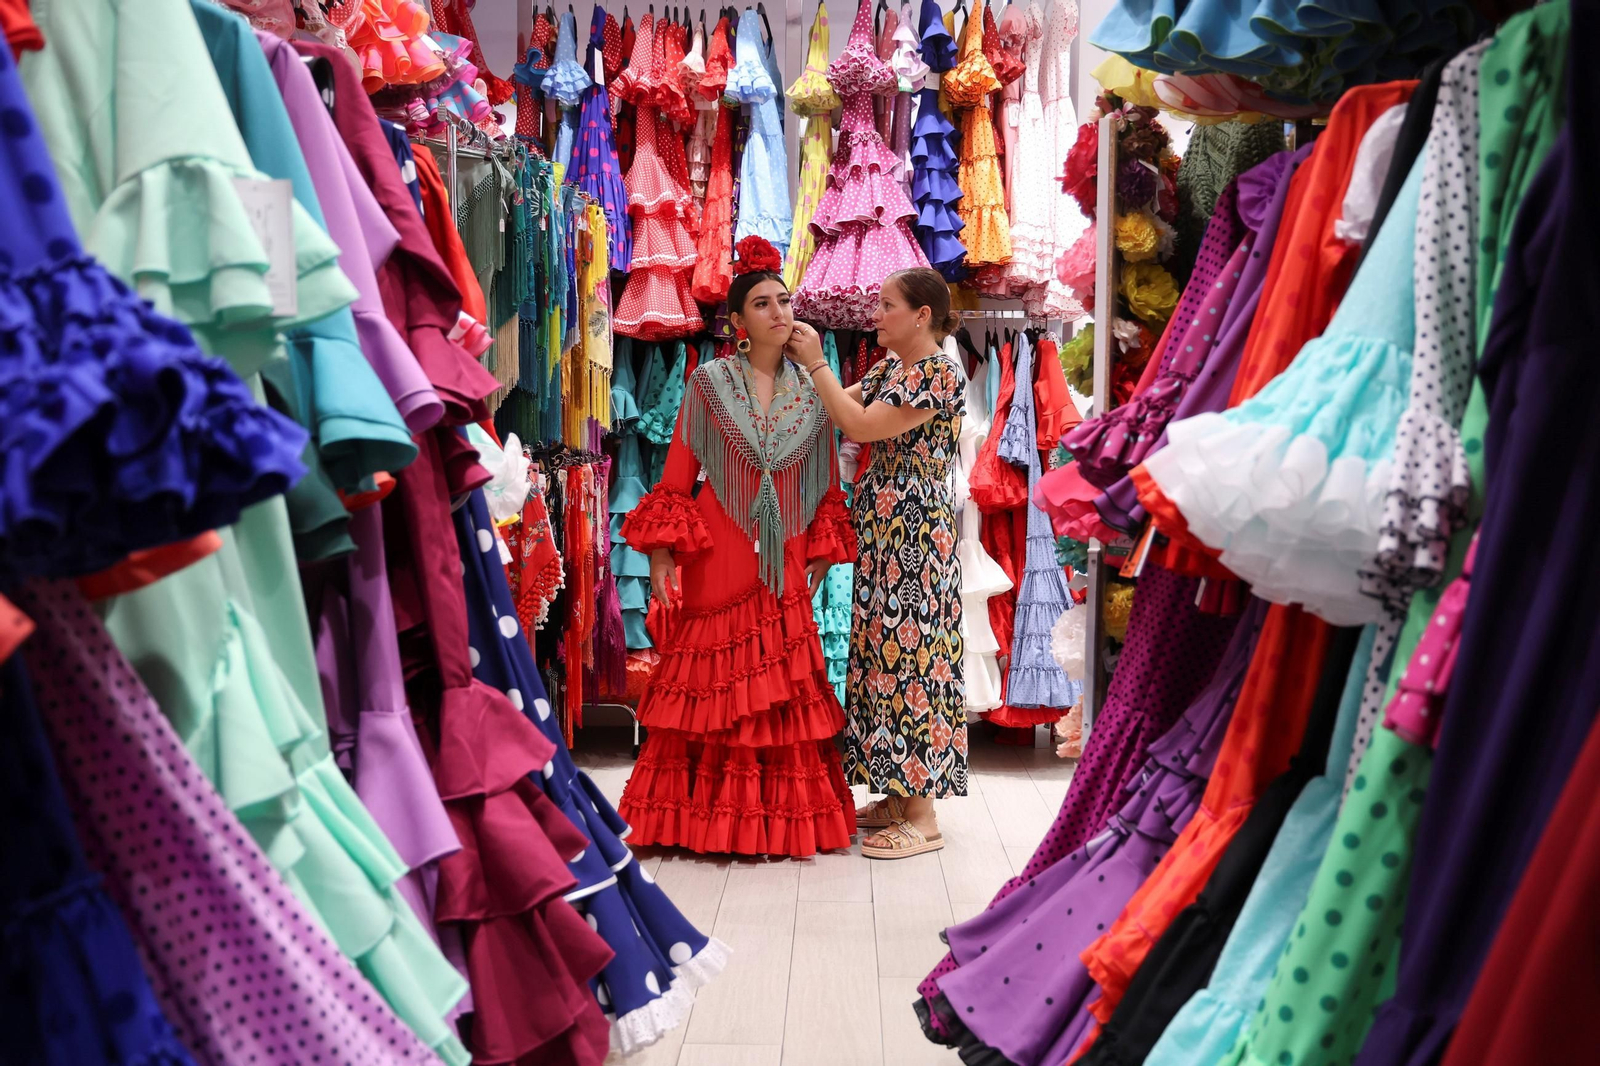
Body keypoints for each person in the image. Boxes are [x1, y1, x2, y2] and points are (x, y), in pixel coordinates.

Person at [615, 235, 859, 858]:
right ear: (737, 321)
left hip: (787, 555)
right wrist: (663, 552)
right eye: (763, 304)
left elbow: (827, 484)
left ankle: (772, 826)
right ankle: (694, 824)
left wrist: (820, 556)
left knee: (780, 691)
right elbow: (677, 471)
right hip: (717, 545)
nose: (780, 313)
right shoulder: (708, 381)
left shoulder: (815, 392)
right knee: (706, 687)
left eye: (785, 302)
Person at [787, 267, 967, 860]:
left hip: (916, 535)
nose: (877, 314)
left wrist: (816, 362)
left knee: (914, 660)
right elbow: (844, 402)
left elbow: (859, 423)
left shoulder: (937, 373)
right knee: (882, 658)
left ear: (922, 315)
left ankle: (924, 815)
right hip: (887, 533)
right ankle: (894, 793)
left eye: (887, 305)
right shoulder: (896, 367)